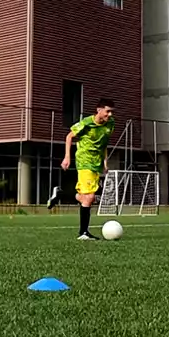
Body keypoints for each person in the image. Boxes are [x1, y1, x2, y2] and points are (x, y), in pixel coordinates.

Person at [54, 98, 115, 240]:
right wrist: (67, 157)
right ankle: (83, 233)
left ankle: (60, 194)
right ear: (99, 110)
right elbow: (69, 136)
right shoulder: (86, 123)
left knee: (85, 198)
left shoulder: (110, 124)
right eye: (108, 111)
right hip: (84, 161)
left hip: (96, 163)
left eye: (112, 112)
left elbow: (103, 144)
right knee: (89, 197)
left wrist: (105, 162)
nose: (110, 115)